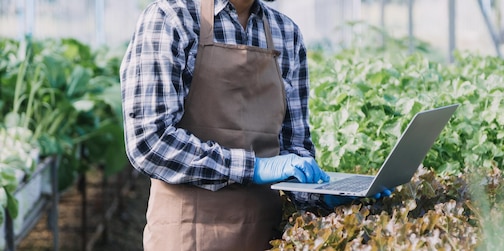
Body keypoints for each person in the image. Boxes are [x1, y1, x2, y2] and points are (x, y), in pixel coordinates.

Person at [120, 0, 391, 250]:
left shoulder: (286, 33)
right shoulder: (171, 19)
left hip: (267, 235)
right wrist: (254, 167)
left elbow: (295, 146)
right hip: (187, 235)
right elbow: (149, 141)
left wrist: (321, 193)